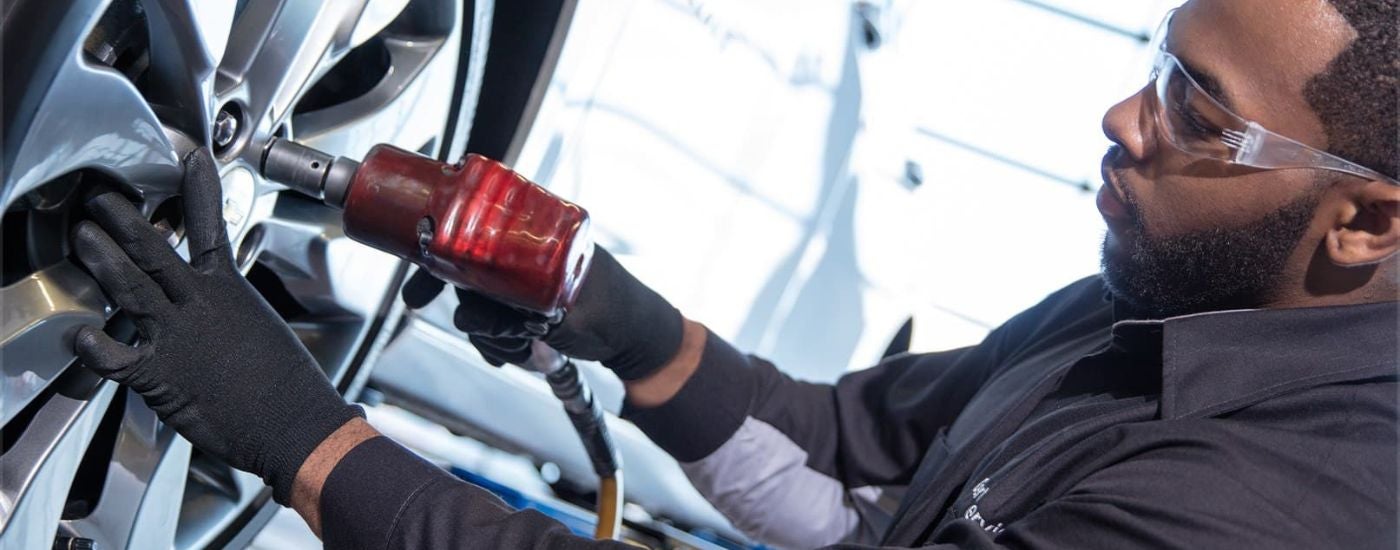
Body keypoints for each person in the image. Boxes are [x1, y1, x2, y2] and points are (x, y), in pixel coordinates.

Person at [67, 0, 1397, 548]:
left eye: (1197, 112)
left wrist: (308, 439)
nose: (1126, 119)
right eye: (1155, 65)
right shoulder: (1160, 294)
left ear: (1366, 224)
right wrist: (621, 319)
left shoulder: (1257, 510)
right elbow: (848, 465)